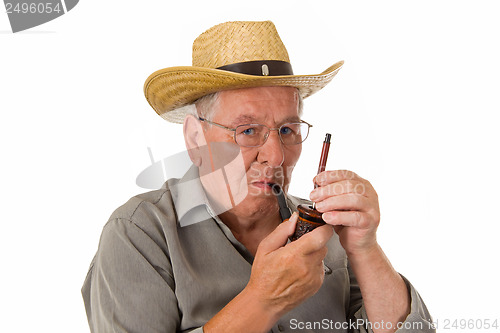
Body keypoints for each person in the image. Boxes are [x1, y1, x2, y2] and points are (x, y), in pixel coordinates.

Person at [82, 21, 435, 333]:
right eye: (248, 130)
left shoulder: (328, 232)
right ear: (195, 139)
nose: (277, 155)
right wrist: (262, 302)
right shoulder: (139, 234)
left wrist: (365, 249)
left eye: (287, 128)